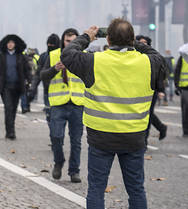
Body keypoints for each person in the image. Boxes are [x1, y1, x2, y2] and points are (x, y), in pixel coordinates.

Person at [62, 19, 166, 209]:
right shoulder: (150, 63)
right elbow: (155, 54)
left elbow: (68, 54)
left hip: (101, 136)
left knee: (96, 189)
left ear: (107, 40)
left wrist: (87, 37)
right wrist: (132, 42)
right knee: (136, 189)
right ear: (133, 39)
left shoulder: (94, 61)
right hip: (134, 136)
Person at [40, 28, 85, 183]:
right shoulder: (53, 55)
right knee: (56, 136)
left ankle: (74, 171)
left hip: (77, 103)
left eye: (73, 40)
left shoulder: (83, 56)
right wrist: (55, 69)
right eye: (67, 40)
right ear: (62, 41)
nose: (70, 43)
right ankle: (59, 162)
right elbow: (42, 75)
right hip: (58, 103)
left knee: (76, 141)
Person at [0, 34, 31, 140]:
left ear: (15, 44)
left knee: (13, 109)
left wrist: (29, 81)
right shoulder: (0, 57)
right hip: (5, 87)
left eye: (12, 42)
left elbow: (27, 70)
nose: (10, 44)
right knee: (8, 108)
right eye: (8, 43)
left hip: (17, 86)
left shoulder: (21, 56)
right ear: (5, 44)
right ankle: (10, 131)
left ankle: (10, 128)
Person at [135, 35, 168, 141]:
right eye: (140, 42)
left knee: (147, 114)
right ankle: (161, 127)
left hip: (151, 90)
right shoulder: (133, 56)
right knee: (141, 113)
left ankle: (144, 140)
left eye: (145, 43)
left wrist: (161, 90)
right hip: (136, 90)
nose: (142, 44)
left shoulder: (154, 58)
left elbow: (160, 74)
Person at [175, 43, 188, 137]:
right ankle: (186, 131)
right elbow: (177, 72)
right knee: (186, 110)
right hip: (185, 88)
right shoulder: (182, 58)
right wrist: (177, 86)